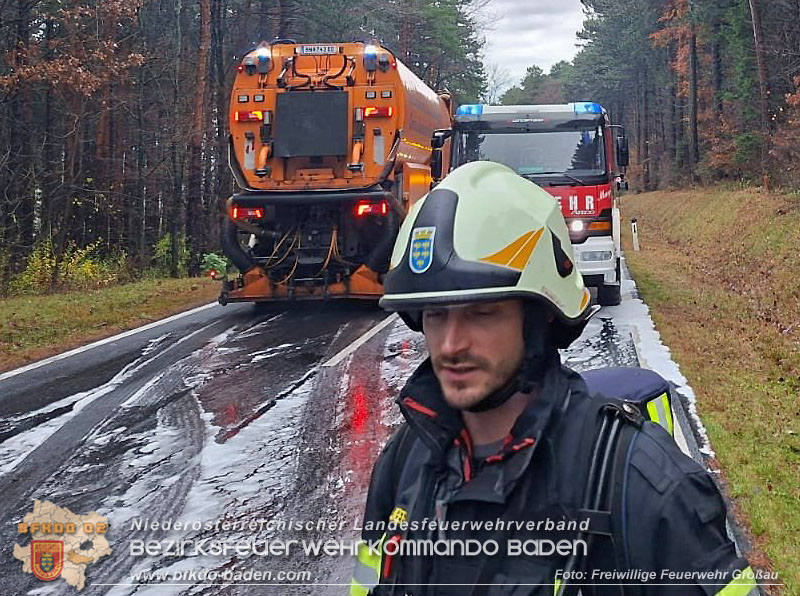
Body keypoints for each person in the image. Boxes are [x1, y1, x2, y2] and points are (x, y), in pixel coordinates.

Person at [350, 161, 756, 596]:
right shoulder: (406, 459)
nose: (450, 345)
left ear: (539, 318)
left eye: (481, 314)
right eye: (436, 315)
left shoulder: (638, 480)